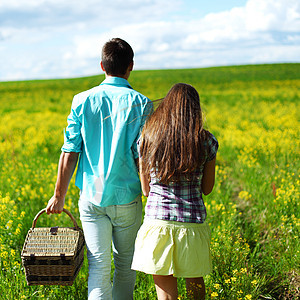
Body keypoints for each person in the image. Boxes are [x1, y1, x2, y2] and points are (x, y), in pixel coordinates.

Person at [46, 38, 153, 300]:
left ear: (102, 65)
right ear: (131, 66)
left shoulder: (81, 100)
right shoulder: (142, 103)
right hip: (128, 197)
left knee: (98, 268)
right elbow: (144, 156)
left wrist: (59, 195)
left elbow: (70, 150)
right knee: (125, 266)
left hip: (91, 198)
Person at [131, 83, 218, 300]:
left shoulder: (148, 139)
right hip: (192, 224)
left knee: (165, 294)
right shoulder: (206, 141)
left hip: (158, 224)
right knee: (195, 285)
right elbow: (207, 189)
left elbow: (145, 189)